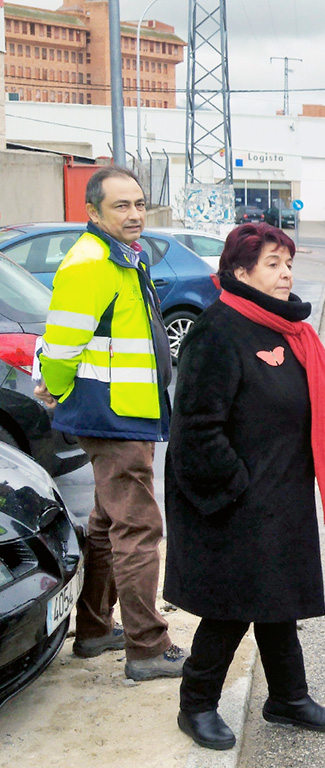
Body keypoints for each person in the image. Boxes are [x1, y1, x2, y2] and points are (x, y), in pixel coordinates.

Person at [164, 222, 325, 750]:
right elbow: (196, 428)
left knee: (279, 601)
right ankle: (196, 704)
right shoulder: (218, 330)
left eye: (288, 263)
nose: (285, 273)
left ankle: (287, 698)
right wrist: (237, 489)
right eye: (272, 263)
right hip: (237, 501)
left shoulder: (285, 328)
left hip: (281, 495)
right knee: (230, 609)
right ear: (239, 271)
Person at [35, 165, 185, 681]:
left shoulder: (121, 258)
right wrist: (56, 390)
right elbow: (58, 348)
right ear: (93, 212)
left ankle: (96, 629)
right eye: (122, 206)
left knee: (106, 522)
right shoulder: (92, 263)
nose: (136, 214)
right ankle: (148, 646)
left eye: (140, 204)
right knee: (139, 527)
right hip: (112, 417)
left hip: (124, 413)